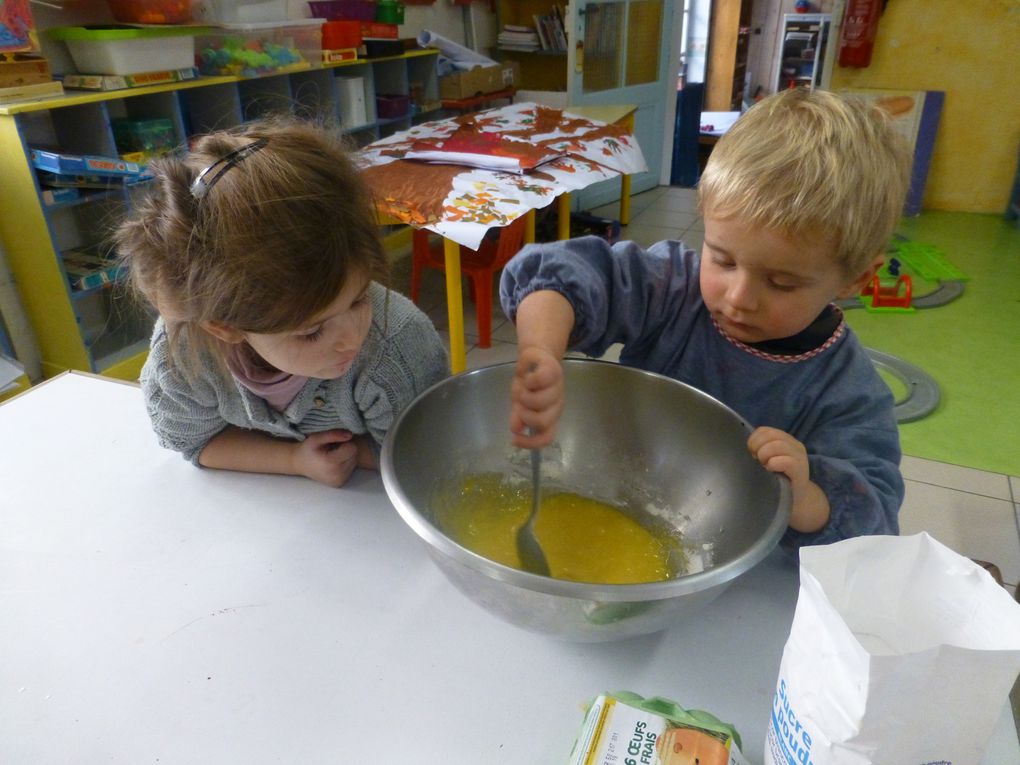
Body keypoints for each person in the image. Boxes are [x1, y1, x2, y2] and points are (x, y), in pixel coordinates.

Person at [499, 88, 912, 552]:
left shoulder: (847, 390)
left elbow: (875, 528)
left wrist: (805, 495)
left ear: (856, 278)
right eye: (722, 259)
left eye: (781, 283)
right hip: (617, 507)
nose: (739, 298)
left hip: (744, 573)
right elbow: (565, 275)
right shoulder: (674, 288)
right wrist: (541, 354)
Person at [115, 118, 448, 488]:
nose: (351, 338)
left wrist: (355, 456)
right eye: (312, 332)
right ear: (224, 328)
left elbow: (422, 454)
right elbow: (194, 441)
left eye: (358, 299)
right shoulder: (185, 356)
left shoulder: (397, 346)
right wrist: (293, 460)